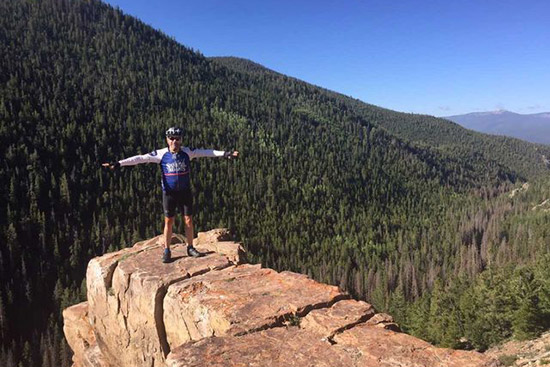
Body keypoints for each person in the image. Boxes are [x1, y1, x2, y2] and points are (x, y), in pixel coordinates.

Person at [102, 127, 239, 263]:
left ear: (181, 140)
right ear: (167, 139)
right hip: (169, 193)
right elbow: (140, 158)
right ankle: (167, 250)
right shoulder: (161, 154)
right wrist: (120, 163)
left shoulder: (187, 152)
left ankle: (190, 247)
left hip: (185, 192)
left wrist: (225, 153)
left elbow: (206, 152)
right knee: (169, 221)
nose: (174, 141)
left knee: (188, 220)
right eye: (171, 138)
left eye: (177, 139)